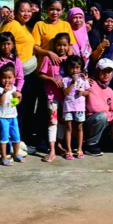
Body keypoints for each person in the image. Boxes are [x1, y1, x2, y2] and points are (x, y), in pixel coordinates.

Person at [0, 0, 44, 154]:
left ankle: (21, 141)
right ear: (16, 11)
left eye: (28, 10)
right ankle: (14, 144)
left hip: (27, 75)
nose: (26, 13)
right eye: (22, 10)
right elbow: (1, 41)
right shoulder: (11, 24)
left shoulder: (25, 26)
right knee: (14, 107)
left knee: (25, 109)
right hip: (16, 76)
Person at [37, 33, 72, 162]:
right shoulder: (49, 58)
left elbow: (79, 73)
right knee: (52, 122)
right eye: (59, 45)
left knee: (63, 121)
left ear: (69, 46)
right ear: (55, 45)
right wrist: (52, 79)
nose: (62, 48)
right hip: (52, 96)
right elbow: (40, 74)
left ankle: (59, 145)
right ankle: (51, 150)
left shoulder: (71, 59)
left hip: (67, 98)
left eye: (64, 45)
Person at [83, 58, 113, 156]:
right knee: (101, 116)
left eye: (109, 71)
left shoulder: (110, 90)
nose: (106, 74)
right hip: (89, 121)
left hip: (104, 121)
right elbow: (94, 108)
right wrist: (111, 115)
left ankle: (105, 142)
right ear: (98, 71)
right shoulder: (90, 84)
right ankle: (90, 146)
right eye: (103, 70)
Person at [0, 64, 23, 166]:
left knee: (16, 136)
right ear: (0, 78)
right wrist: (4, 92)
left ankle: (16, 153)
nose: (7, 80)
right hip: (2, 117)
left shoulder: (14, 89)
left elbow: (15, 104)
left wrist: (18, 97)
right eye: (4, 78)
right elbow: (0, 102)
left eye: (9, 78)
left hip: (13, 116)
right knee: (4, 137)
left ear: (14, 78)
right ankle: (4, 156)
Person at [60, 55, 89, 160]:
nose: (74, 70)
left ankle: (80, 149)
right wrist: (72, 82)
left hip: (80, 107)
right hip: (68, 107)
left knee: (79, 127)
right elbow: (65, 93)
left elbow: (88, 92)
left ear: (80, 68)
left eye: (77, 68)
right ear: (68, 68)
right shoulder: (65, 80)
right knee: (68, 128)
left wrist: (82, 93)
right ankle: (69, 150)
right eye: (72, 68)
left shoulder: (83, 79)